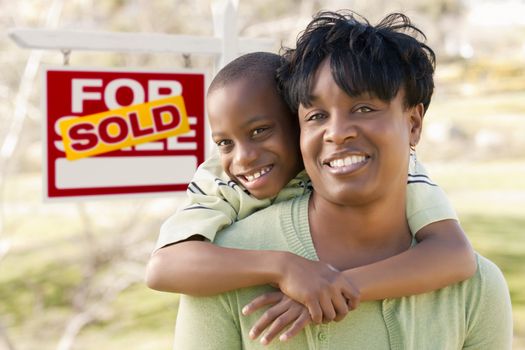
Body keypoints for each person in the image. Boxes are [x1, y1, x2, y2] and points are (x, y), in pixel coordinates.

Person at [169, 10, 513, 349]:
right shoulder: (225, 265)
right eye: (316, 116)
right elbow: (162, 267)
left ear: (413, 124)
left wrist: (342, 287)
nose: (337, 133)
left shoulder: (475, 287)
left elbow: (454, 252)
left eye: (363, 108)